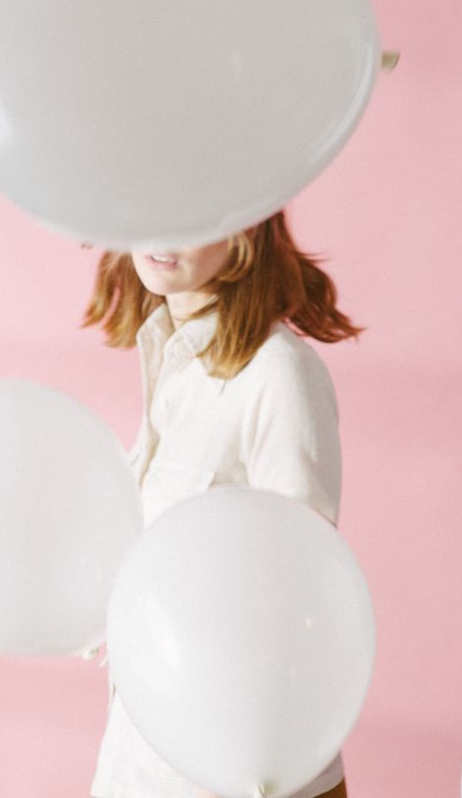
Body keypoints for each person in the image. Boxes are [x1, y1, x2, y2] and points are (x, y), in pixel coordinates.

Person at [82, 210, 360, 798]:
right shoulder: (170, 356)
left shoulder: (277, 374)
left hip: (234, 765)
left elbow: (303, 591)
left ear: (245, 223)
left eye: (191, 210)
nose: (159, 230)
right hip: (143, 752)